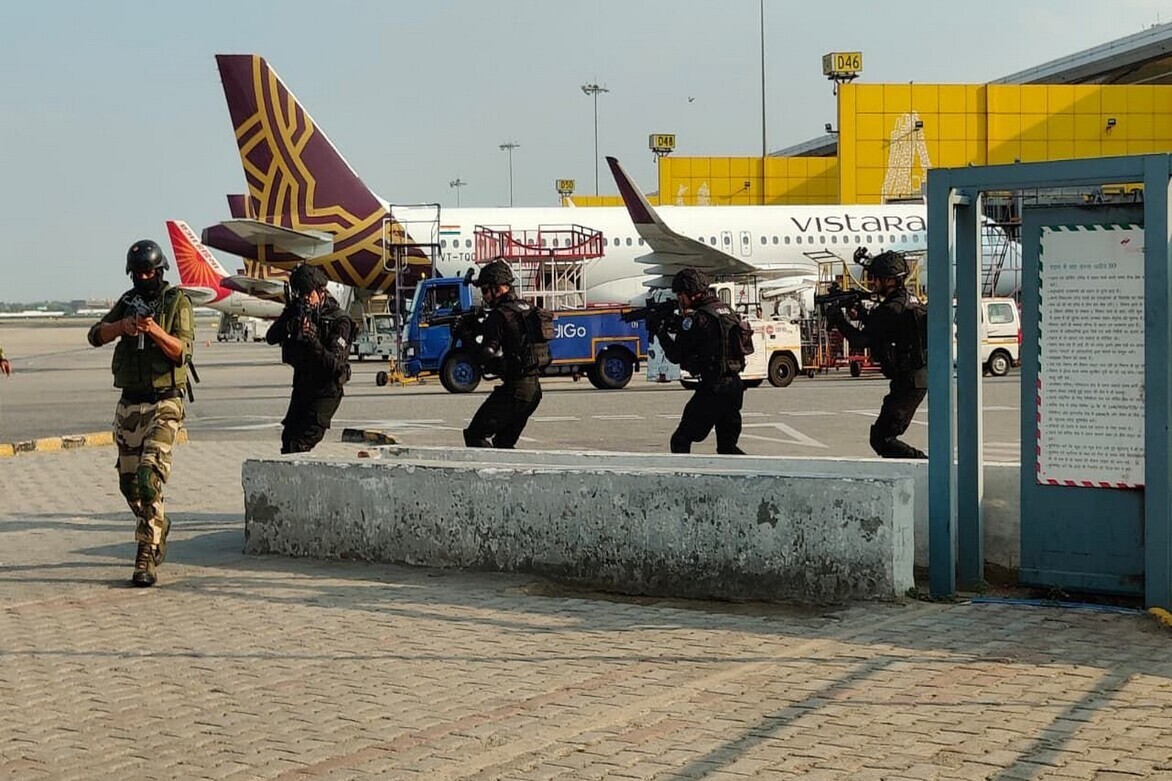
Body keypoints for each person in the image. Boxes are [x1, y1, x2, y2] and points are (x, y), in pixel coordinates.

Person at [87, 239, 195, 587]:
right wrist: (124, 327)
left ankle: (145, 556)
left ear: (160, 270)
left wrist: (155, 330)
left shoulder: (176, 302)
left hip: (164, 401)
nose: (143, 277)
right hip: (130, 403)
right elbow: (94, 335)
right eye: (137, 272)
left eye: (148, 271)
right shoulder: (128, 302)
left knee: (149, 478)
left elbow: (182, 352)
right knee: (129, 484)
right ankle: (157, 523)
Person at [826, 249, 928, 459]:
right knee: (882, 436)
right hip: (911, 378)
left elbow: (861, 340)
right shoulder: (905, 300)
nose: (873, 283)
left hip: (909, 382)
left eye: (876, 279)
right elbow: (886, 328)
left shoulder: (892, 309)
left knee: (882, 438)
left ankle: (925, 468)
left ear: (890, 280)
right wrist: (861, 313)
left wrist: (839, 320)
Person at [654, 268, 746, 455]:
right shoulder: (727, 311)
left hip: (714, 389)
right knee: (727, 448)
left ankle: (683, 484)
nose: (679, 300)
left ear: (691, 294)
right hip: (734, 387)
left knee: (680, 440)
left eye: (680, 295)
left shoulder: (697, 319)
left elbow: (676, 355)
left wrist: (660, 333)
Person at [265, 264, 355, 454]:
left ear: (321, 292)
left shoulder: (339, 321)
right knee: (288, 439)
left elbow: (334, 364)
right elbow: (271, 337)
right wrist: (290, 323)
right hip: (303, 387)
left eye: (309, 294)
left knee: (301, 442)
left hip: (326, 391)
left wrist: (313, 339)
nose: (306, 299)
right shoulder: (297, 310)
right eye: (301, 294)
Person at [462, 259, 543, 448]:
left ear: (498, 289)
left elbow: (485, 356)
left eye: (485, 290)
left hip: (515, 391)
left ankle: (489, 477)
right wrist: (480, 327)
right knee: (503, 444)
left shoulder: (500, 315)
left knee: (475, 435)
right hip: (534, 391)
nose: (484, 296)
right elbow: (513, 337)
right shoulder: (526, 308)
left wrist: (466, 338)